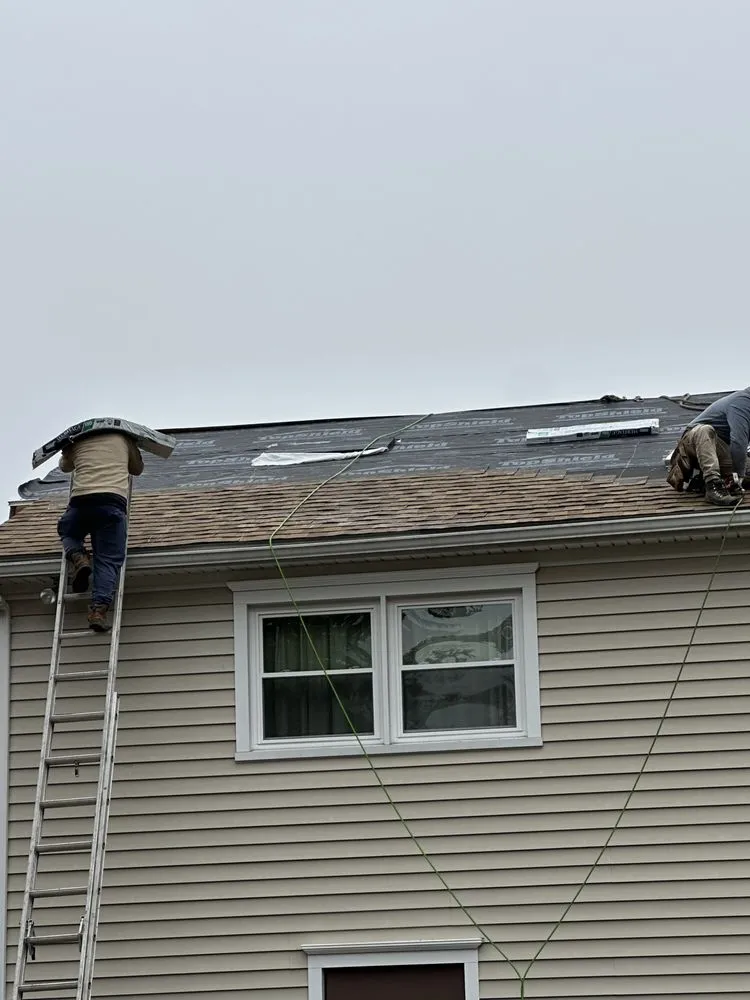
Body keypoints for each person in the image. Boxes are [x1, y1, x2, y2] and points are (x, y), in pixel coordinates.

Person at [56, 432, 144, 631]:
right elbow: (137, 469)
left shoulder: (78, 439)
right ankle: (98, 611)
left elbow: (64, 467)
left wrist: (66, 451)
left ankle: (78, 557)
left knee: (68, 530)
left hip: (81, 502)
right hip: (111, 503)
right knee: (107, 559)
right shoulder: (124, 439)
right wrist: (134, 449)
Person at [667, 388, 750, 507]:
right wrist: (738, 476)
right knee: (705, 430)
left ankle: (701, 482)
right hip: (694, 442)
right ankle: (713, 485)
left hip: (721, 450)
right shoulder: (743, 402)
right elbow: (738, 440)